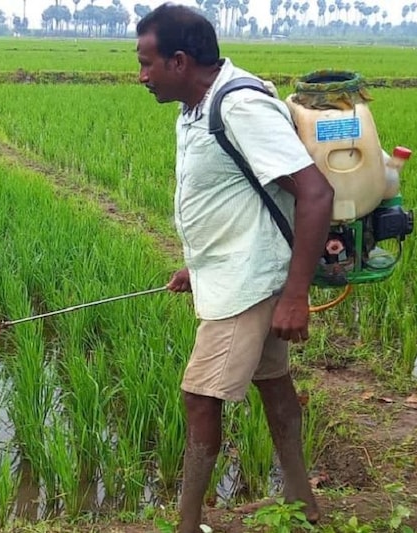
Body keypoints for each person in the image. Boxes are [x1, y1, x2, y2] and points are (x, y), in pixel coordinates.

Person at [135, 3, 334, 532]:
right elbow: (235, 199)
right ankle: (304, 502)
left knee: (199, 395)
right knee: (274, 382)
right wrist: (195, 266)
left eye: (147, 63)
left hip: (251, 284)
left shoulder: (239, 105)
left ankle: (186, 523)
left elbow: (316, 194)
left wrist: (295, 295)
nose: (142, 76)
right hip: (234, 273)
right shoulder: (196, 107)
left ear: (179, 61)